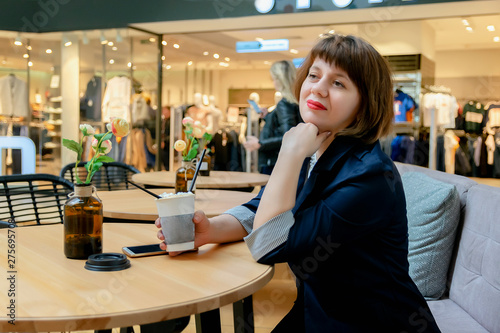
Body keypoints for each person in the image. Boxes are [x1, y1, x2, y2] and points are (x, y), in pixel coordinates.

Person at [156, 34, 441, 332]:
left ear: (365, 103)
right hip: (318, 309)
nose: (318, 88)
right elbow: (261, 208)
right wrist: (210, 230)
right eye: (314, 75)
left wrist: (288, 153)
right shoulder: (317, 147)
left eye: (338, 83)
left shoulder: (367, 176)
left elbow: (268, 244)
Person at [243, 60, 302, 175]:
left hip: (274, 161)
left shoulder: (284, 103)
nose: (273, 83)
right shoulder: (295, 101)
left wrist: (260, 143)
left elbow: (288, 135)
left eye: (274, 79)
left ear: (280, 79)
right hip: (281, 160)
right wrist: (269, 116)